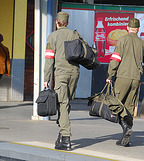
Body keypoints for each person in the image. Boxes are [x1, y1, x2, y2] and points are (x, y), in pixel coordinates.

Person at [106, 18, 144, 147]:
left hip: (123, 77)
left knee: (116, 105)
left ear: (128, 28)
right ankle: (125, 138)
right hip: (136, 79)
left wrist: (110, 75)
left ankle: (126, 129)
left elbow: (115, 59)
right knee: (129, 107)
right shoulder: (142, 44)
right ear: (138, 29)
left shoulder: (122, 40)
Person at [43, 11, 80, 151]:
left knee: (63, 104)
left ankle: (66, 139)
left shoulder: (53, 36)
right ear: (67, 23)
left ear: (57, 22)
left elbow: (49, 60)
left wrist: (46, 78)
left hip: (61, 74)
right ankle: (61, 132)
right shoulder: (75, 35)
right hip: (75, 74)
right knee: (66, 103)